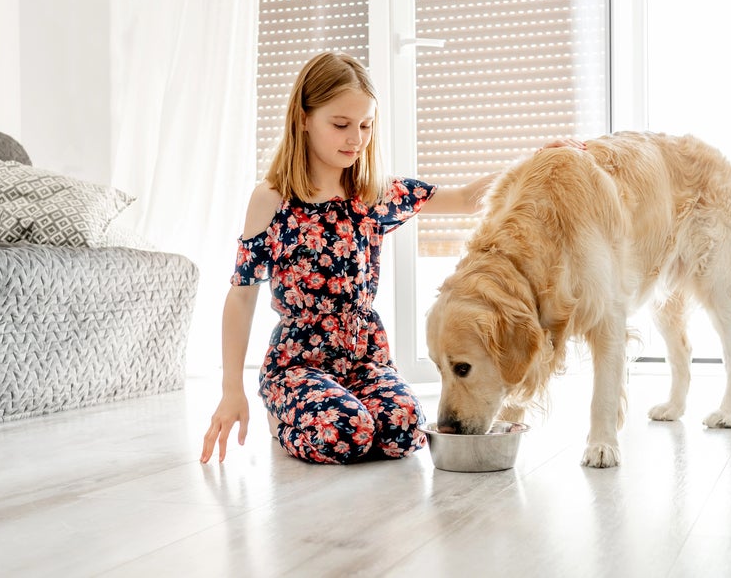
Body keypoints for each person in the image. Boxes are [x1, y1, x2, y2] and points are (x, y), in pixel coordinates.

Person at [200, 51, 584, 464]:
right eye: (341, 125)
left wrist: (536, 160)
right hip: (299, 362)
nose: (356, 139)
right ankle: (283, 412)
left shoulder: (373, 194)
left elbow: (464, 198)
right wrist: (230, 389)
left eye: (366, 125)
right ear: (303, 119)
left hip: (365, 357)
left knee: (405, 432)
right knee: (348, 434)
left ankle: (333, 408)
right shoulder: (272, 199)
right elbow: (241, 296)